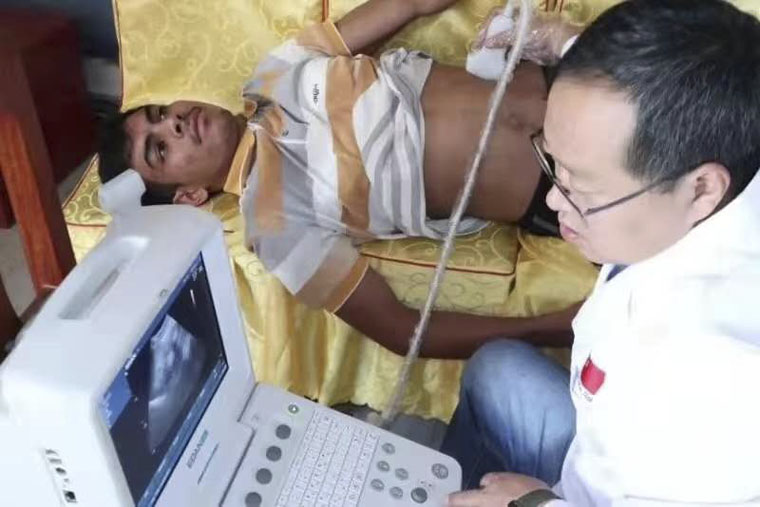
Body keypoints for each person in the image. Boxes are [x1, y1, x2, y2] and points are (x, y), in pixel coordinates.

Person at [98, 0, 582, 359]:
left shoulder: (274, 71)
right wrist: (552, 328)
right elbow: (401, 332)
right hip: (570, 184)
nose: (175, 122)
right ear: (189, 195)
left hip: (574, 73)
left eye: (161, 112)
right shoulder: (274, 229)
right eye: (160, 149)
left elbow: (406, 4)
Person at [443, 0, 760, 505]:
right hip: (594, 451)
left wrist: (533, 503)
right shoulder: (728, 133)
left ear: (701, 189)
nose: (554, 200)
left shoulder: (720, 382)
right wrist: (568, 43)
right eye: (555, 167)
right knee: (496, 371)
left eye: (581, 188)